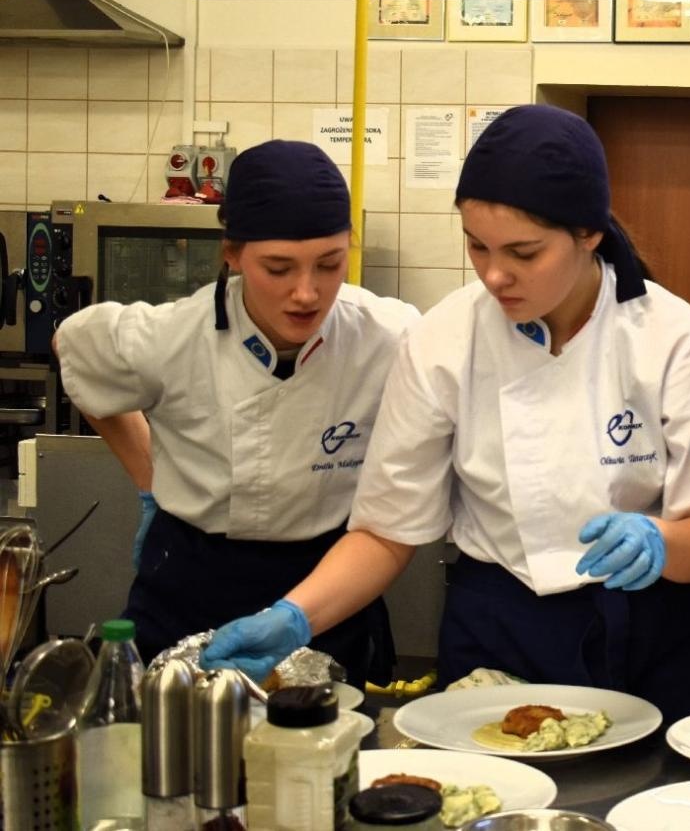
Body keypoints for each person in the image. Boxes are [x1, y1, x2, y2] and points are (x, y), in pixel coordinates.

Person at [201, 104, 690, 724]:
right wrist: (295, 616)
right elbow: (387, 529)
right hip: (499, 628)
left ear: (589, 233)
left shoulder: (675, 338)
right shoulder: (443, 339)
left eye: (523, 253)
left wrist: (661, 541)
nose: (494, 275)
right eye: (477, 246)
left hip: (653, 627)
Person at [54, 141, 419, 683]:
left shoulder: (389, 338)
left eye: (329, 264)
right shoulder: (170, 337)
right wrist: (149, 478)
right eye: (278, 268)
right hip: (189, 576)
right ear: (232, 255)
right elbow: (73, 349)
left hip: (326, 582)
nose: (306, 292)